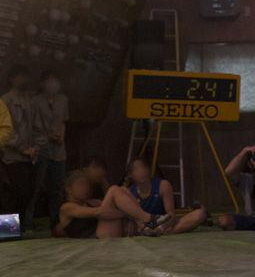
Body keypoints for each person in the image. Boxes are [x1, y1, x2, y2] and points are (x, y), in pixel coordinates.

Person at [59, 169, 170, 239]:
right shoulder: (66, 207)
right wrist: (128, 214)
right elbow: (100, 212)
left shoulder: (90, 202)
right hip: (98, 237)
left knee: (122, 189)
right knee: (113, 190)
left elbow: (115, 205)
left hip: (107, 231)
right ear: (68, 189)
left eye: (86, 184)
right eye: (80, 184)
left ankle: (143, 224)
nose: (85, 188)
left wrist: (131, 215)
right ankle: (147, 219)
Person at [0, 65, 46, 226]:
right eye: (19, 76)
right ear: (12, 79)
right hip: (11, 157)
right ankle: (7, 233)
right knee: (11, 195)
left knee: (27, 193)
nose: (23, 80)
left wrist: (35, 147)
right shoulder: (5, 100)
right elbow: (7, 131)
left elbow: (38, 127)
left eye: (25, 76)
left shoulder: (31, 101)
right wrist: (22, 148)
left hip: (30, 157)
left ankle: (17, 229)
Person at [25, 70, 68, 229]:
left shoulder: (63, 100)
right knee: (35, 187)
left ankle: (56, 222)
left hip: (59, 150)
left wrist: (61, 137)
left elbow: (63, 121)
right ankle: (27, 222)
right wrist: (46, 137)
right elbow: (30, 126)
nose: (53, 84)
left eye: (56, 81)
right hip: (40, 147)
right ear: (42, 83)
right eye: (50, 81)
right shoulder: (34, 101)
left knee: (56, 188)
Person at [125, 157, 207, 234]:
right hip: (143, 226)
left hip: (164, 224)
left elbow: (171, 215)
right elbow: (130, 216)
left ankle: (159, 232)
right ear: (130, 175)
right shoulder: (129, 192)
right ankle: (152, 232)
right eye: (136, 169)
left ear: (148, 170)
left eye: (143, 168)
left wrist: (161, 228)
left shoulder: (163, 185)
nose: (141, 172)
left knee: (199, 214)